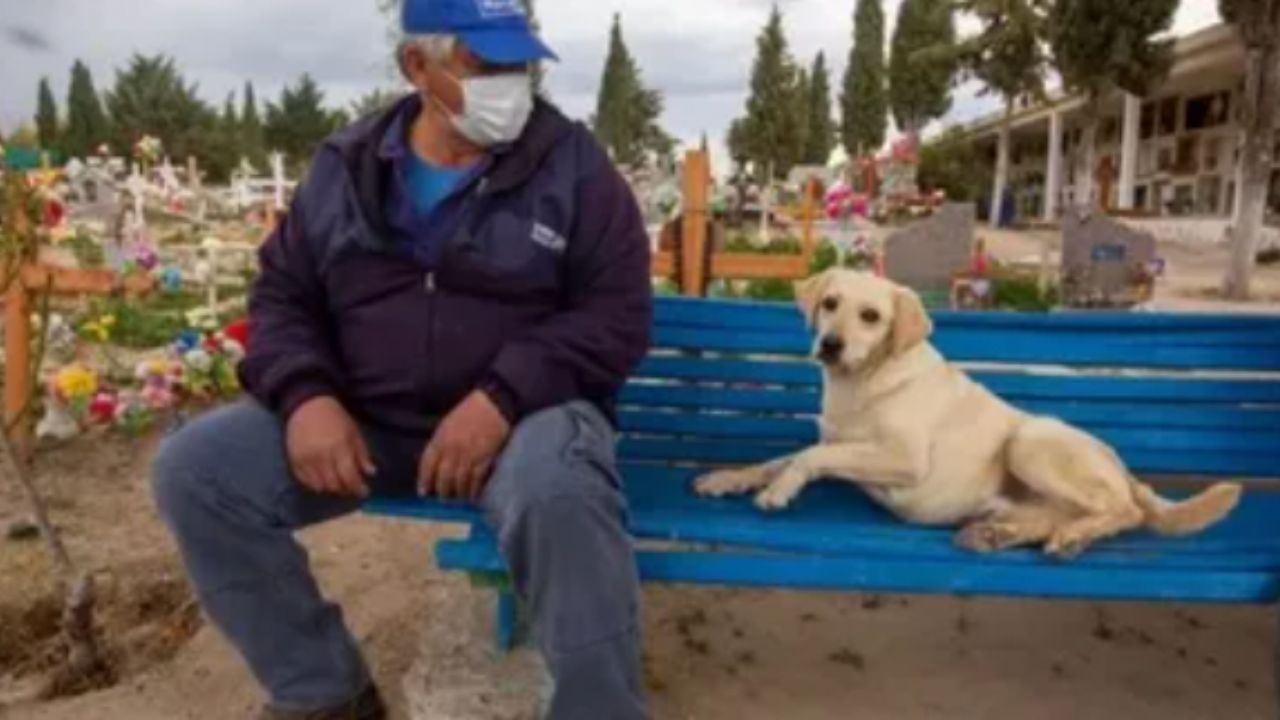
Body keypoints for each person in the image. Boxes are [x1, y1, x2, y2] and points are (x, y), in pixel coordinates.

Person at [149, 0, 653, 717]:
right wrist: (304, 395)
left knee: (560, 492)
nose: (511, 83)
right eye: (486, 64)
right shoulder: (345, 166)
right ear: (417, 65)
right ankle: (324, 692)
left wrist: (501, 398)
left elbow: (617, 315)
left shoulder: (573, 167)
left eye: (522, 63)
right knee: (196, 471)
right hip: (367, 420)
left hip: (522, 422)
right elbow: (283, 296)